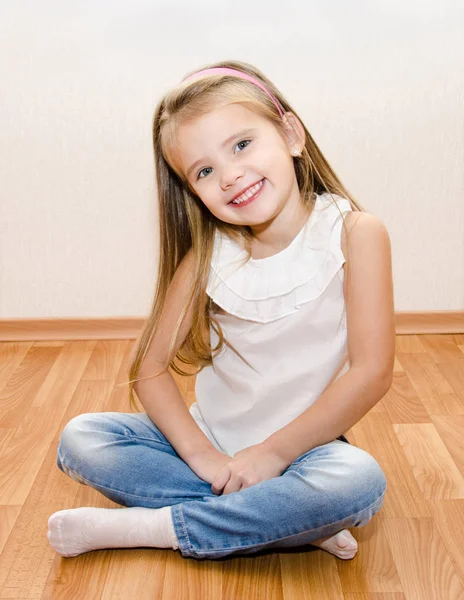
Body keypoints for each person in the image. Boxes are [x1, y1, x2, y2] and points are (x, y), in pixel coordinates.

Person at [47, 60, 395, 562]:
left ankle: (157, 527)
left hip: (303, 454)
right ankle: (282, 520)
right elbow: (149, 368)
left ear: (292, 135)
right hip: (209, 444)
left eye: (242, 145)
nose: (230, 176)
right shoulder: (209, 254)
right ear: (192, 191)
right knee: (83, 438)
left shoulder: (355, 233)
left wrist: (273, 455)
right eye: (205, 171)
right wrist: (205, 458)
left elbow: (372, 373)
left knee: (358, 481)